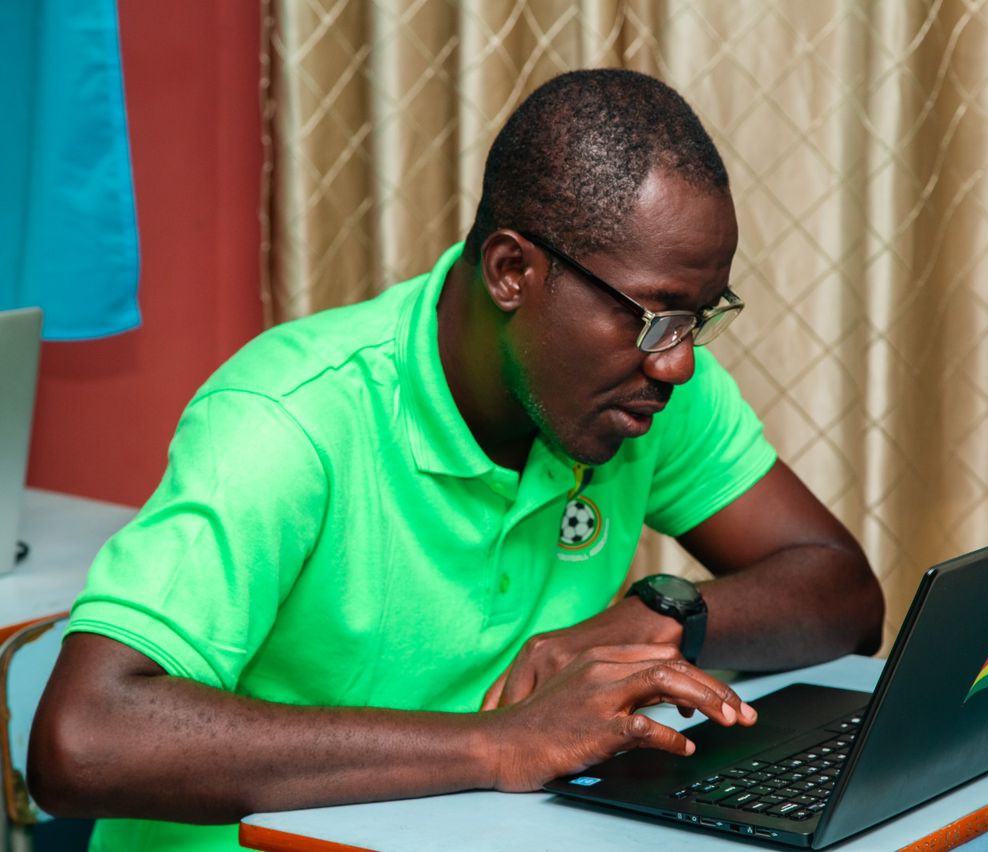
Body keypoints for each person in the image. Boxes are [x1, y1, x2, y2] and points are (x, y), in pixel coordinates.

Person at [29, 69, 884, 851]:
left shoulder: (642, 391)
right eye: (655, 315)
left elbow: (843, 595)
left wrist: (658, 618)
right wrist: (498, 744)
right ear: (512, 271)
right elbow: (84, 739)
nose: (679, 363)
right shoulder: (290, 420)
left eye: (700, 317)